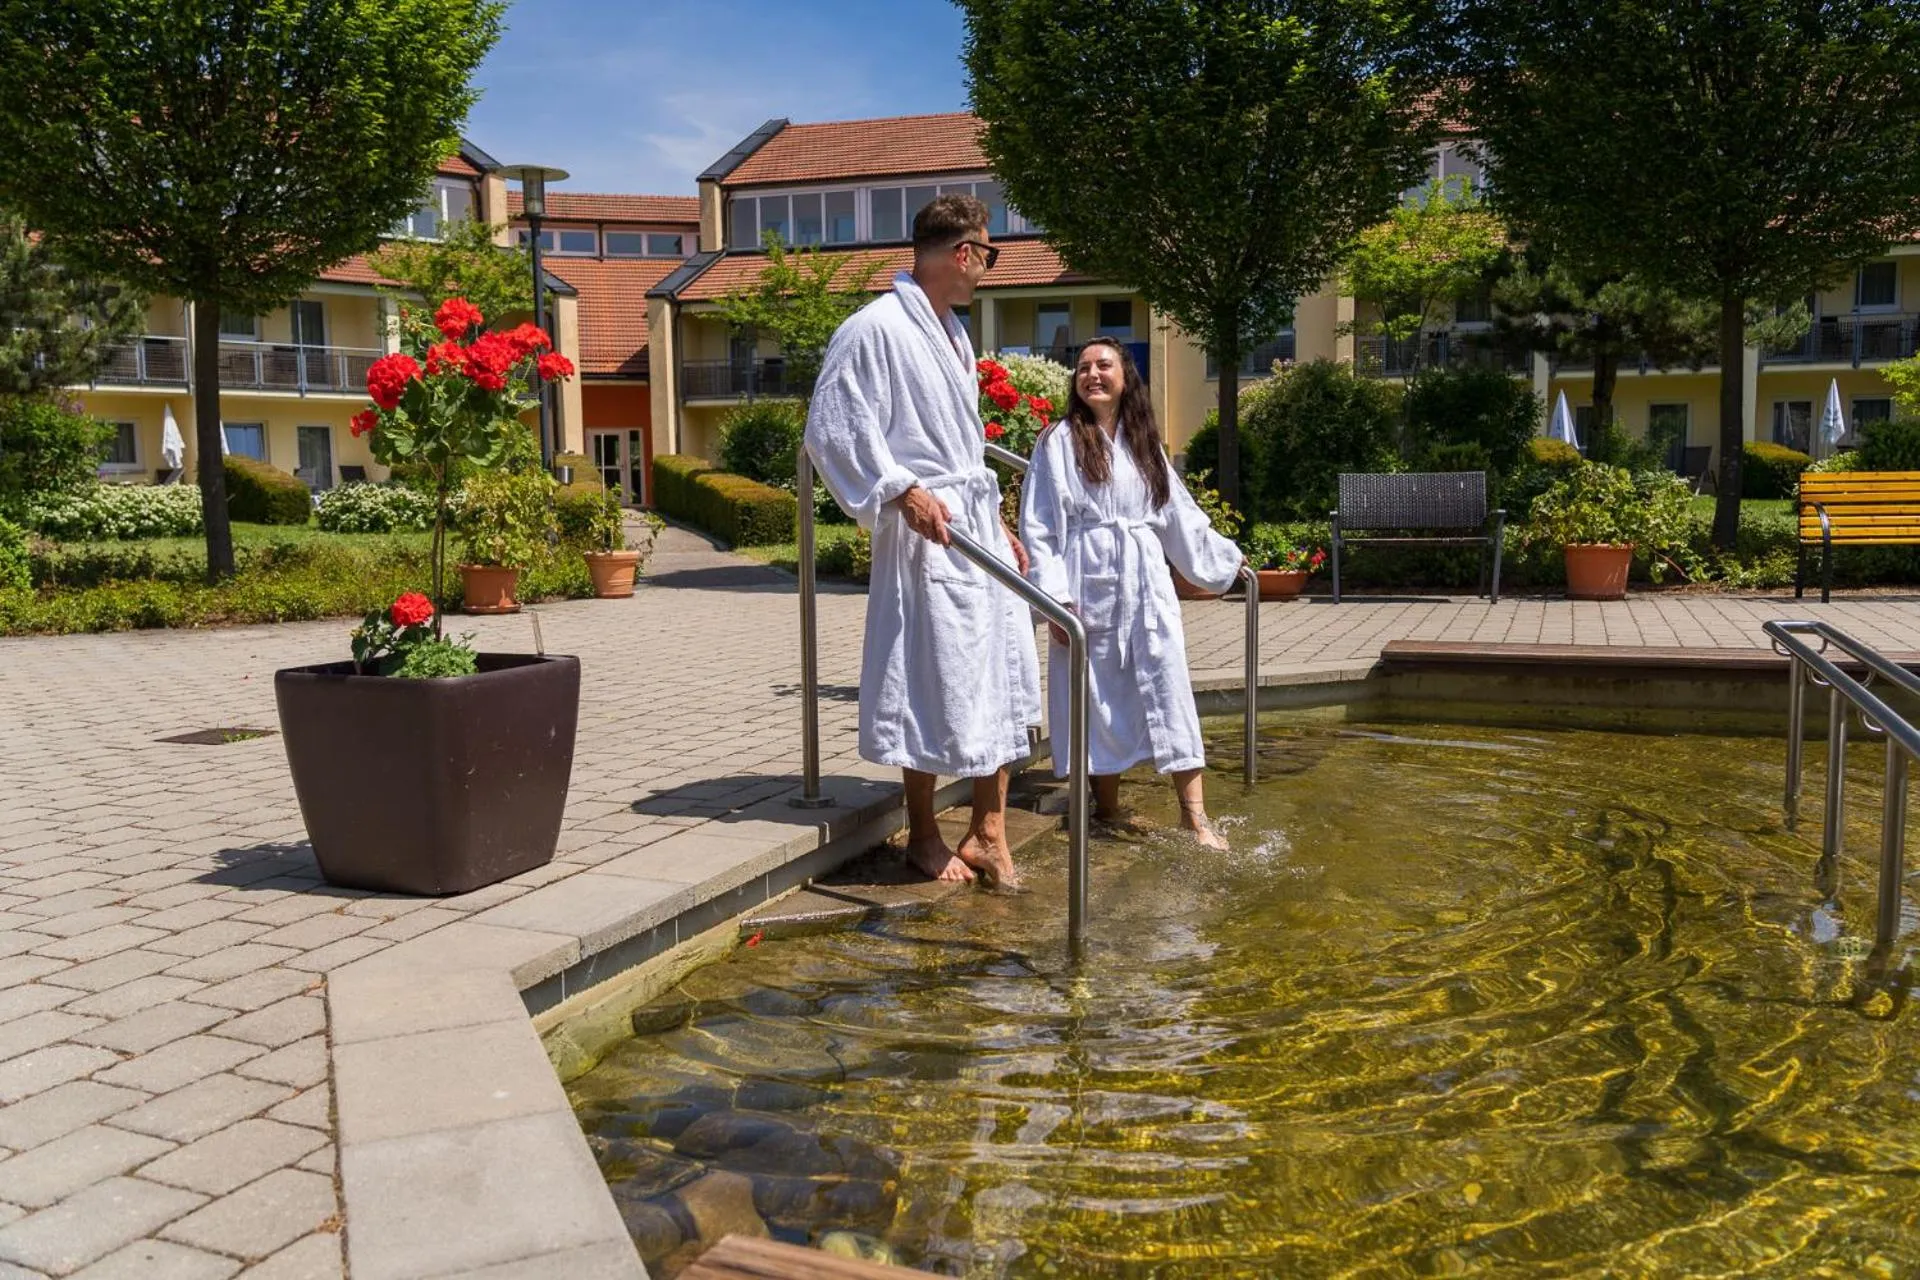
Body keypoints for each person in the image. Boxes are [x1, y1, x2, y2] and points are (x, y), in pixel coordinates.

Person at [806, 194, 1042, 887]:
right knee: (929, 673)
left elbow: (965, 446)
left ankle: (989, 831)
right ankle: (926, 833)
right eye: (989, 254)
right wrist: (900, 490)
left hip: (970, 521)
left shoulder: (951, 333)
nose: (988, 269)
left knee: (998, 671)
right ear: (964, 253)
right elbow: (832, 426)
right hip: (926, 529)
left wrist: (997, 521)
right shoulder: (874, 329)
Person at [1020, 338, 1243, 849]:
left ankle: (1195, 819)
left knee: (1169, 689)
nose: (1092, 374)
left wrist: (1226, 560)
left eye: (1104, 365)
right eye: (1083, 367)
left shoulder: (1144, 442)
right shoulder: (1058, 440)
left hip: (1145, 585)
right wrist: (1055, 600)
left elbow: (1179, 515)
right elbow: (1040, 527)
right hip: (1087, 584)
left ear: (1126, 377)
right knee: (1097, 699)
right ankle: (1107, 808)